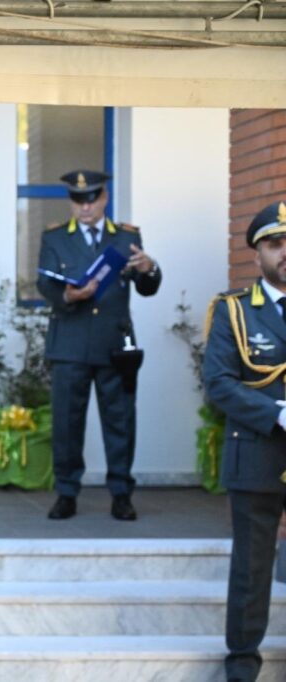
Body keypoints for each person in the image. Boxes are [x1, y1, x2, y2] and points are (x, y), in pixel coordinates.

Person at [36, 169, 161, 521]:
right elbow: (44, 283)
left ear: (104, 198)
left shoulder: (125, 237)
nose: (85, 206)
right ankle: (66, 493)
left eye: (92, 198)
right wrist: (68, 294)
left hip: (114, 344)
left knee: (120, 422)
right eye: (78, 200)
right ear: (71, 203)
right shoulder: (56, 238)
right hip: (70, 345)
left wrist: (150, 268)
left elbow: (146, 285)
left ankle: (121, 493)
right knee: (67, 424)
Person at [202, 200, 286, 682]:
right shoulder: (234, 312)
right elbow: (219, 383)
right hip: (257, 450)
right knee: (252, 567)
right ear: (258, 254)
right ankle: (242, 663)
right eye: (274, 243)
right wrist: (277, 414)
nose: (284, 252)